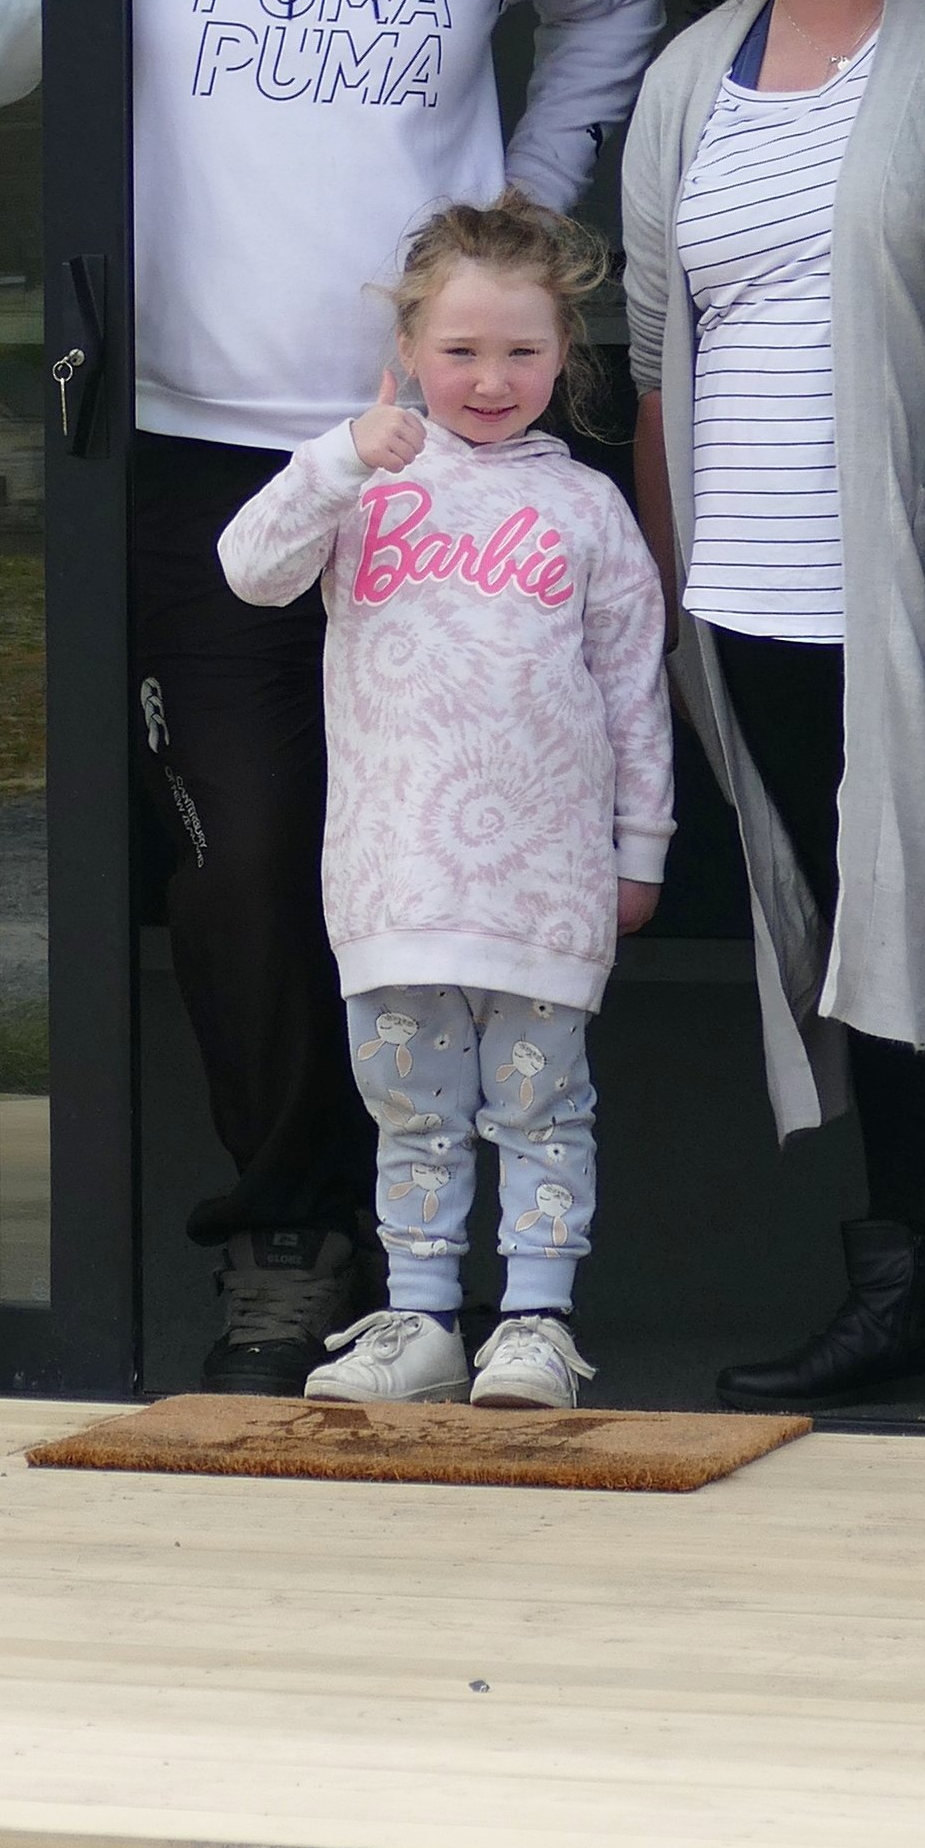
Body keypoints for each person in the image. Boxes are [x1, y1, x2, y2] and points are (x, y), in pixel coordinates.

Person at [0, 0, 666, 1394]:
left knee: (460, 849)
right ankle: (294, 1235)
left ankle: (487, 1265)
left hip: (446, 469)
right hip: (203, 452)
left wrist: (538, 204)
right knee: (251, 857)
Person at [214, 193, 673, 1410]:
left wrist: (642, 847)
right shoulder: (365, 482)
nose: (490, 378)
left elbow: (634, 687)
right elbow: (249, 571)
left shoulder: (587, 506)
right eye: (460, 350)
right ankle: (418, 1317)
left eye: (522, 350)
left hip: (542, 882)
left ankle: (533, 1321)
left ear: (565, 355)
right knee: (412, 1113)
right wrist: (340, 456)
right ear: (408, 350)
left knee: (540, 1105)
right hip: (396, 878)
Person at [620, 0, 925, 1415]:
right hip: (748, 600)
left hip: (922, 592)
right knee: (847, 941)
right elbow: (660, 359)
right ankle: (905, 1274)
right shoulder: (691, 82)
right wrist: (674, 591)